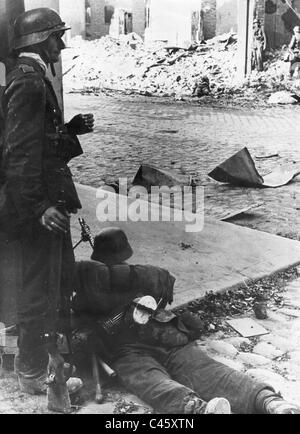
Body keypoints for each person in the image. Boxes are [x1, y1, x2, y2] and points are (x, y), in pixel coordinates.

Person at [72, 227, 300, 414]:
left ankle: (234, 406)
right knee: (186, 375)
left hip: (144, 343)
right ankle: (264, 402)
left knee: (163, 379)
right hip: (155, 339)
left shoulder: (92, 279)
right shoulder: (148, 274)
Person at [0, 7, 94, 396]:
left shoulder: (32, 76)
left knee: (49, 283)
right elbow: (19, 156)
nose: (62, 43)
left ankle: (41, 363)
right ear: (40, 40)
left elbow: (40, 147)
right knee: (37, 289)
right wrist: (41, 208)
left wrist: (68, 130)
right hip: (38, 209)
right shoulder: (30, 82)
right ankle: (33, 371)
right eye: (57, 37)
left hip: (43, 203)